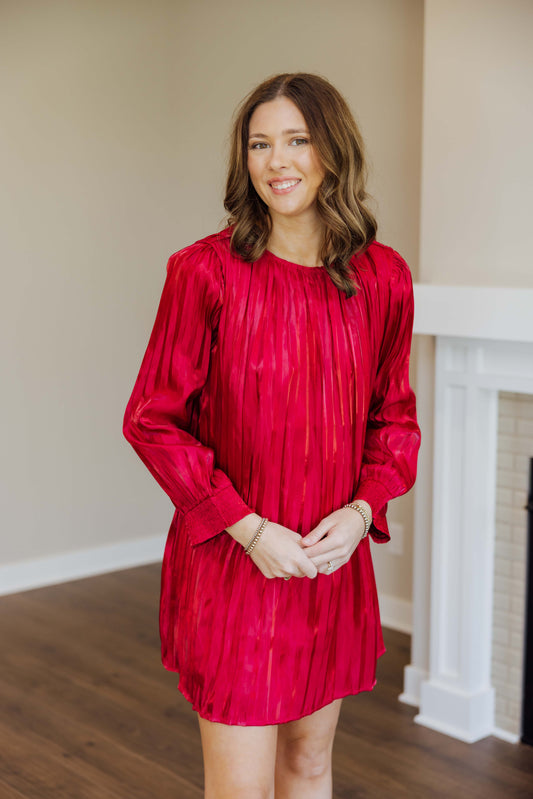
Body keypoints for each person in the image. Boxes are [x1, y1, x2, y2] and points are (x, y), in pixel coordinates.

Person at [123, 72, 420, 799]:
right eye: (259, 144)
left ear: (331, 152)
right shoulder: (203, 272)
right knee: (240, 789)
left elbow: (395, 419)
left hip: (329, 566)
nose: (276, 161)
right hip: (234, 566)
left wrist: (360, 514)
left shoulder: (382, 278)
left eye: (296, 140)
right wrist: (251, 530)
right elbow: (151, 418)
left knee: (309, 767)